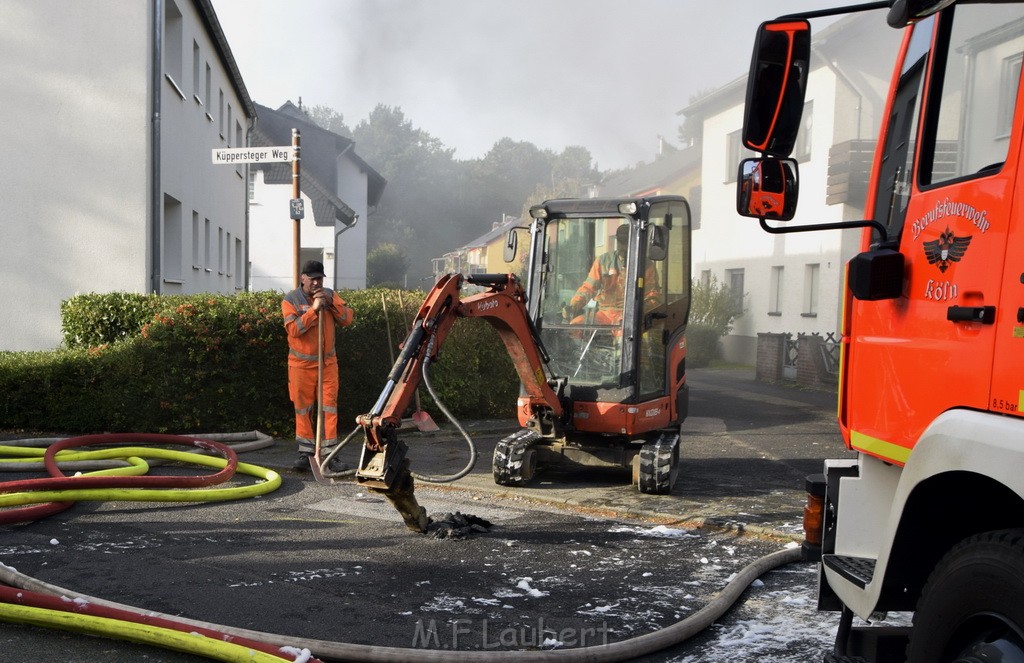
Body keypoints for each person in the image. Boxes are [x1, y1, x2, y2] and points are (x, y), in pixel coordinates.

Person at [281, 260, 354, 472]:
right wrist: (313, 310)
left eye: (319, 278)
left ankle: (330, 453)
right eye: (312, 278)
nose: (316, 282)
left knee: (329, 407)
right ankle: (306, 453)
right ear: (302, 278)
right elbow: (294, 330)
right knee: (303, 409)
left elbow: (347, 319)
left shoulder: (330, 294)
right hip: (301, 366)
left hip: (328, 364)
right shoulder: (290, 300)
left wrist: (331, 303)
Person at [563, 224, 660, 327]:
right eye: (621, 242)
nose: (624, 247)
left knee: (623, 333)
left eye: (627, 242)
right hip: (604, 314)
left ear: (636, 242)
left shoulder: (646, 266)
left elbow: (652, 295)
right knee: (575, 326)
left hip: (630, 315)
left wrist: (639, 311)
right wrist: (574, 306)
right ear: (617, 241)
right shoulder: (603, 261)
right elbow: (588, 288)